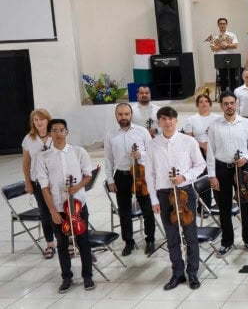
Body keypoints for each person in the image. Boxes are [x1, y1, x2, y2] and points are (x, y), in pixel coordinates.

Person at [145, 106, 206, 291]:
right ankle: (177, 273)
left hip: (185, 191)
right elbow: (150, 174)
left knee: (191, 235)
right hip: (164, 194)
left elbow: (200, 165)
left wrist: (184, 177)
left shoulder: (188, 141)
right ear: (159, 122)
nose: (168, 122)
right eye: (164, 119)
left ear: (176, 120)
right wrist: (154, 200)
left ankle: (193, 272)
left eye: (171, 119)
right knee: (171, 237)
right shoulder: (152, 144)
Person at [37, 119, 94, 293]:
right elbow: (44, 187)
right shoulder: (43, 157)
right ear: (49, 133)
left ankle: (87, 276)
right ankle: (66, 277)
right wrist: (52, 211)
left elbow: (87, 175)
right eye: (54, 130)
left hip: (78, 206)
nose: (59, 134)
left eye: (62, 130)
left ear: (67, 132)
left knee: (83, 242)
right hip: (58, 209)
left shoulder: (78, 151)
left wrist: (77, 187)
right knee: (62, 244)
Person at [206, 92, 248, 256]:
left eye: (232, 103)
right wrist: (211, 175)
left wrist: (246, 158)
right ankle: (227, 241)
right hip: (221, 168)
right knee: (224, 207)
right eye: (226, 103)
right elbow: (210, 152)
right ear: (221, 105)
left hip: (242, 169)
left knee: (245, 204)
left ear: (236, 104)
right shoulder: (214, 125)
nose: (229, 106)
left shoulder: (245, 123)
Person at [105, 103, 156, 256]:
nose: (123, 117)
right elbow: (108, 159)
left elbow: (152, 153)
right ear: (116, 116)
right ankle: (129, 241)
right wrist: (110, 180)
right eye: (120, 114)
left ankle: (150, 239)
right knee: (124, 211)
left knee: (147, 209)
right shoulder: (110, 135)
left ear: (131, 115)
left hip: (141, 174)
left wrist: (141, 155)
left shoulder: (142, 132)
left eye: (126, 114)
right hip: (121, 175)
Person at [21, 109, 56, 259]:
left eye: (41, 119)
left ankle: (67, 241)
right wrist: (28, 182)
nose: (39, 122)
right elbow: (26, 163)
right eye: (36, 120)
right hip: (38, 182)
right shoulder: (29, 139)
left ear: (48, 120)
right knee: (45, 213)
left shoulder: (55, 134)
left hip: (55, 181)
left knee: (60, 211)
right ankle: (50, 244)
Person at [182, 91, 223, 156]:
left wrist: (211, 146)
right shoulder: (191, 120)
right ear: (197, 105)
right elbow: (188, 139)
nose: (204, 103)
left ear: (210, 104)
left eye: (206, 101)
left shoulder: (219, 118)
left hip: (217, 147)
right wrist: (202, 145)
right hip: (198, 147)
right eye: (201, 102)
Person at [210, 17, 239, 93]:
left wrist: (226, 45)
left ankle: (233, 93)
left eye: (224, 24)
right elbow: (213, 48)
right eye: (220, 24)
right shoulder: (214, 36)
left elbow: (235, 45)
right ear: (218, 25)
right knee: (222, 77)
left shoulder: (232, 35)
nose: (222, 25)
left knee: (232, 77)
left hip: (231, 58)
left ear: (227, 24)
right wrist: (220, 46)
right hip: (220, 59)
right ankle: (223, 94)